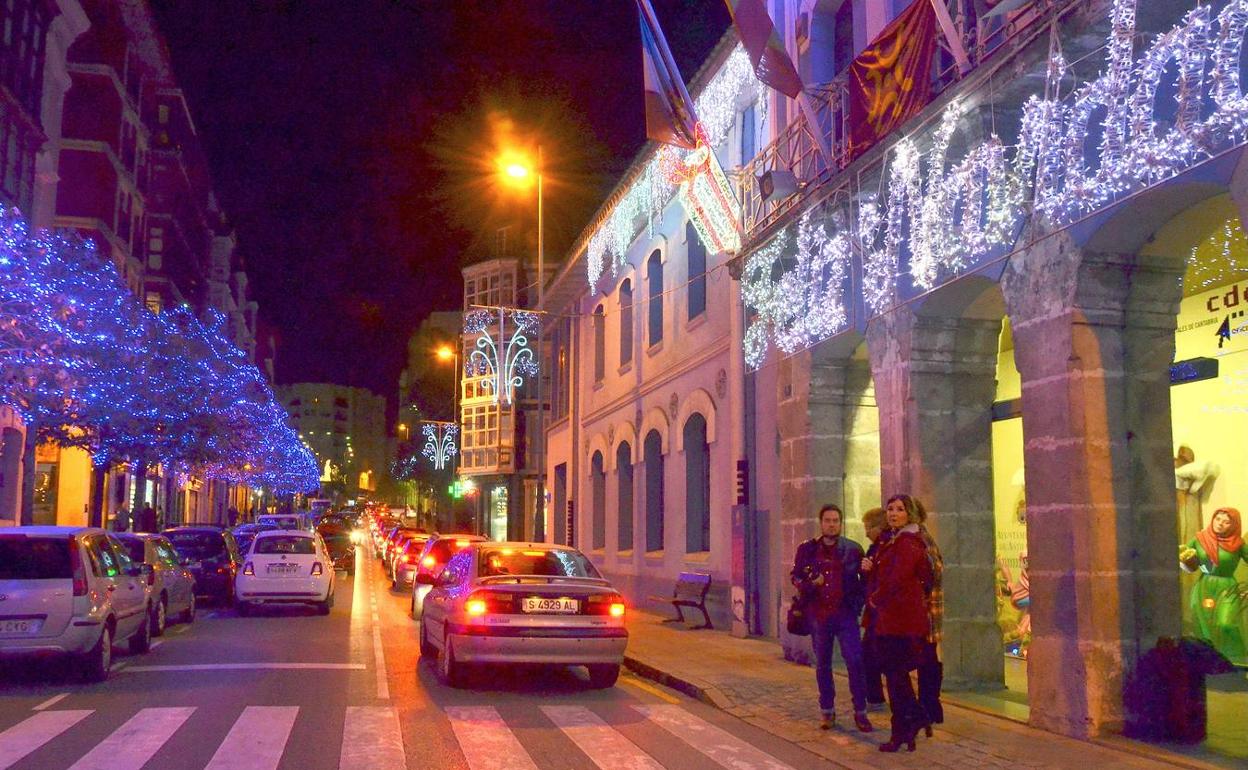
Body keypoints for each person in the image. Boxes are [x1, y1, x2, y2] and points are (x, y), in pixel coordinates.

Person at [861, 493, 933, 753]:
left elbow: (899, 578)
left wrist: (876, 599)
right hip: (890, 618)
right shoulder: (892, 540)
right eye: (890, 509)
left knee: (895, 676)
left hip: (900, 619)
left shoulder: (907, 542)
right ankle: (909, 723)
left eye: (899, 509)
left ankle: (906, 724)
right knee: (895, 676)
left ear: (909, 514)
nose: (893, 513)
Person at [791, 504, 872, 732]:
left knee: (855, 662)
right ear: (821, 523)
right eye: (827, 520)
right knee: (823, 664)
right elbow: (795, 577)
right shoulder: (807, 549)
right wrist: (809, 584)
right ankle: (827, 710)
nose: (832, 524)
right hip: (819, 614)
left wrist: (859, 600)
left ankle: (860, 711)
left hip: (845, 614)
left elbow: (864, 583)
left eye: (836, 520)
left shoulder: (853, 549)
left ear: (841, 523)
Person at [1180, 507, 1248, 663]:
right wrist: (1185, 561)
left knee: (1226, 624)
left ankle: (1235, 662)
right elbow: (1188, 563)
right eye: (1218, 519)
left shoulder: (1238, 543)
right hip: (1204, 586)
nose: (1220, 524)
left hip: (1227, 588)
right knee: (1203, 624)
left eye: (1226, 521)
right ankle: (1208, 664)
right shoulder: (1199, 539)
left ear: (1234, 525)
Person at [912, 498, 944, 733]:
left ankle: (928, 706)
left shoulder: (921, 539)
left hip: (925, 610)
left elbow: (932, 572)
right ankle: (928, 707)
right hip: (923, 610)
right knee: (927, 658)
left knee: (926, 659)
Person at [858, 506, 888, 712]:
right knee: (870, 653)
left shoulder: (884, 547)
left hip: (882, 612)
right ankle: (874, 697)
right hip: (875, 611)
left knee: (871, 654)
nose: (866, 532)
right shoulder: (877, 547)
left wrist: (869, 569)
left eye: (869, 527)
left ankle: (876, 698)